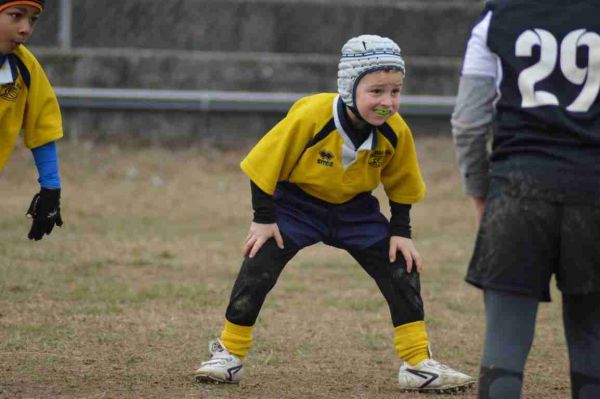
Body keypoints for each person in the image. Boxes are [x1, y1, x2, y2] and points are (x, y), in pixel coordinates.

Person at [194, 34, 474, 393]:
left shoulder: (396, 131)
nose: (387, 102)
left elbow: (402, 185)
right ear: (348, 87)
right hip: (298, 204)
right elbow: (264, 164)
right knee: (259, 260)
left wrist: (401, 232)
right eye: (376, 92)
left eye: (395, 91)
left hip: (355, 211)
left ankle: (418, 363)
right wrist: (264, 219)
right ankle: (228, 355)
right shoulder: (312, 115)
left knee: (400, 264)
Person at [451, 0, 600, 398]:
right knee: (592, 343)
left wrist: (480, 193)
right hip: (594, 190)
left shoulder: (497, 17)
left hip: (517, 190)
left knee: (505, 345)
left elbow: (468, 123)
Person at [0, 0, 64, 241]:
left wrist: (51, 188)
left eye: (33, 19)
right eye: (16, 16)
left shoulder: (23, 67)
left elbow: (42, 123)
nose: (25, 28)